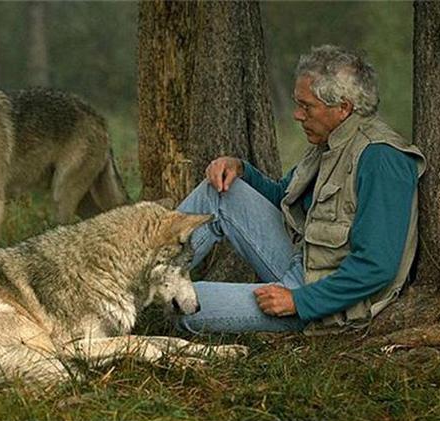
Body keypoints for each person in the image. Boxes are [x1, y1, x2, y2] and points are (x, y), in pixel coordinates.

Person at [176, 45, 426, 335]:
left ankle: (141, 293)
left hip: (324, 300)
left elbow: (376, 266)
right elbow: (285, 198)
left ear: (343, 107)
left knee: (188, 305)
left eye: (307, 106)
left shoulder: (381, 158)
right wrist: (241, 170)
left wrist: (299, 301)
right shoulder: (331, 141)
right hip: (301, 260)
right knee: (218, 192)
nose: (297, 114)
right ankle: (129, 279)